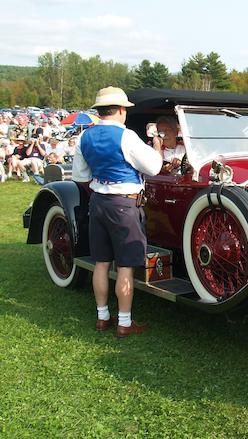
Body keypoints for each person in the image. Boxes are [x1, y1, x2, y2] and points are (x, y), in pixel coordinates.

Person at [72, 86, 163, 337]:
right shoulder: (127, 137)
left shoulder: (84, 137)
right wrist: (157, 147)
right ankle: (124, 321)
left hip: (98, 202)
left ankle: (102, 316)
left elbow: (81, 175)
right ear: (122, 110)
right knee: (125, 265)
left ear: (99, 111)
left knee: (101, 263)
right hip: (124, 205)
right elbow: (154, 167)